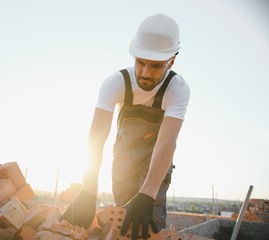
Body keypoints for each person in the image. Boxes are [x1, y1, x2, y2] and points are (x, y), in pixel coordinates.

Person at [61, 14, 190, 239]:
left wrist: (147, 196)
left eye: (156, 66)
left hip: (155, 161)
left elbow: (166, 142)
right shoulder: (116, 83)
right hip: (123, 157)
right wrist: (88, 190)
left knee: (147, 223)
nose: (145, 73)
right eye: (140, 62)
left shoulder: (176, 89)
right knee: (120, 221)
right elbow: (96, 140)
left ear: (172, 61)